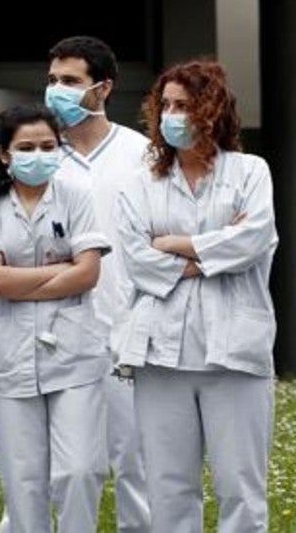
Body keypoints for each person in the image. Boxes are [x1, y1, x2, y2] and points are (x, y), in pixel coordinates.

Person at [115, 59, 278, 532]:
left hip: (235, 356)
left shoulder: (250, 172)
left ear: (210, 110)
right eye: (165, 105)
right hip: (161, 355)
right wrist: (212, 253)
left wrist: (179, 246)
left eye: (183, 105)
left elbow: (255, 240)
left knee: (241, 487)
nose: (171, 115)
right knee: (168, 487)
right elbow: (136, 259)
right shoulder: (141, 183)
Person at [0, 104, 111, 532]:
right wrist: (60, 271)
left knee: (80, 471)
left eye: (48, 146)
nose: (38, 154)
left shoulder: (76, 197)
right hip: (10, 359)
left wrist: (20, 280)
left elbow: (89, 273)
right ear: (5, 154)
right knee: (24, 483)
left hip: (75, 356)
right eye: (26, 147)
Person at [44, 35, 151, 532]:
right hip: (55, 330)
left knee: (138, 466)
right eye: (52, 80)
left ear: (103, 88)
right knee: (57, 470)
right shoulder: (41, 153)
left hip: (130, 329)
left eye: (70, 81)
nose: (57, 91)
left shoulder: (143, 155)